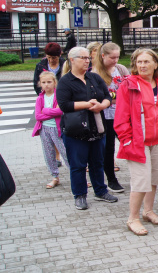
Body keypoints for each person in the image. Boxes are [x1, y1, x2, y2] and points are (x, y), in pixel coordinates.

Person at [114, 48, 158, 236]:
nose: (142, 65)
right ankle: (133, 218)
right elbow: (121, 117)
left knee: (154, 179)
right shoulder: (129, 85)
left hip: (157, 140)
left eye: (146, 62)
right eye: (139, 62)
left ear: (156, 64)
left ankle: (148, 210)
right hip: (137, 142)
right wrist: (126, 141)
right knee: (140, 181)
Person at [56, 47, 118, 210]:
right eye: (82, 58)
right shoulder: (65, 81)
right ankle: (80, 195)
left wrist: (102, 105)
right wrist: (89, 104)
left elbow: (107, 96)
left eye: (87, 58)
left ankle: (100, 191)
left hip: (97, 127)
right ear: (72, 60)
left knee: (97, 162)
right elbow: (64, 105)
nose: (86, 61)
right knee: (78, 165)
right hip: (76, 130)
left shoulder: (94, 77)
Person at [91, 42, 130, 192]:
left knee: (129, 144)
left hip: (122, 114)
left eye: (117, 57)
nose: (115, 60)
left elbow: (129, 88)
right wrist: (114, 96)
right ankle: (111, 179)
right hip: (105, 116)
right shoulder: (95, 73)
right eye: (112, 57)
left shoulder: (120, 69)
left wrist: (113, 97)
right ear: (103, 56)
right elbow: (100, 96)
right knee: (108, 149)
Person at [32, 72, 69, 189]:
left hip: (57, 128)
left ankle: (77, 175)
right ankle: (55, 176)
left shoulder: (58, 96)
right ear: (40, 84)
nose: (46, 85)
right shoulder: (40, 98)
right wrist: (51, 112)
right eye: (43, 82)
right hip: (44, 129)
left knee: (65, 152)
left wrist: (46, 111)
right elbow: (38, 116)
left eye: (49, 82)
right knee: (49, 153)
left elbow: (60, 111)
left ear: (54, 83)